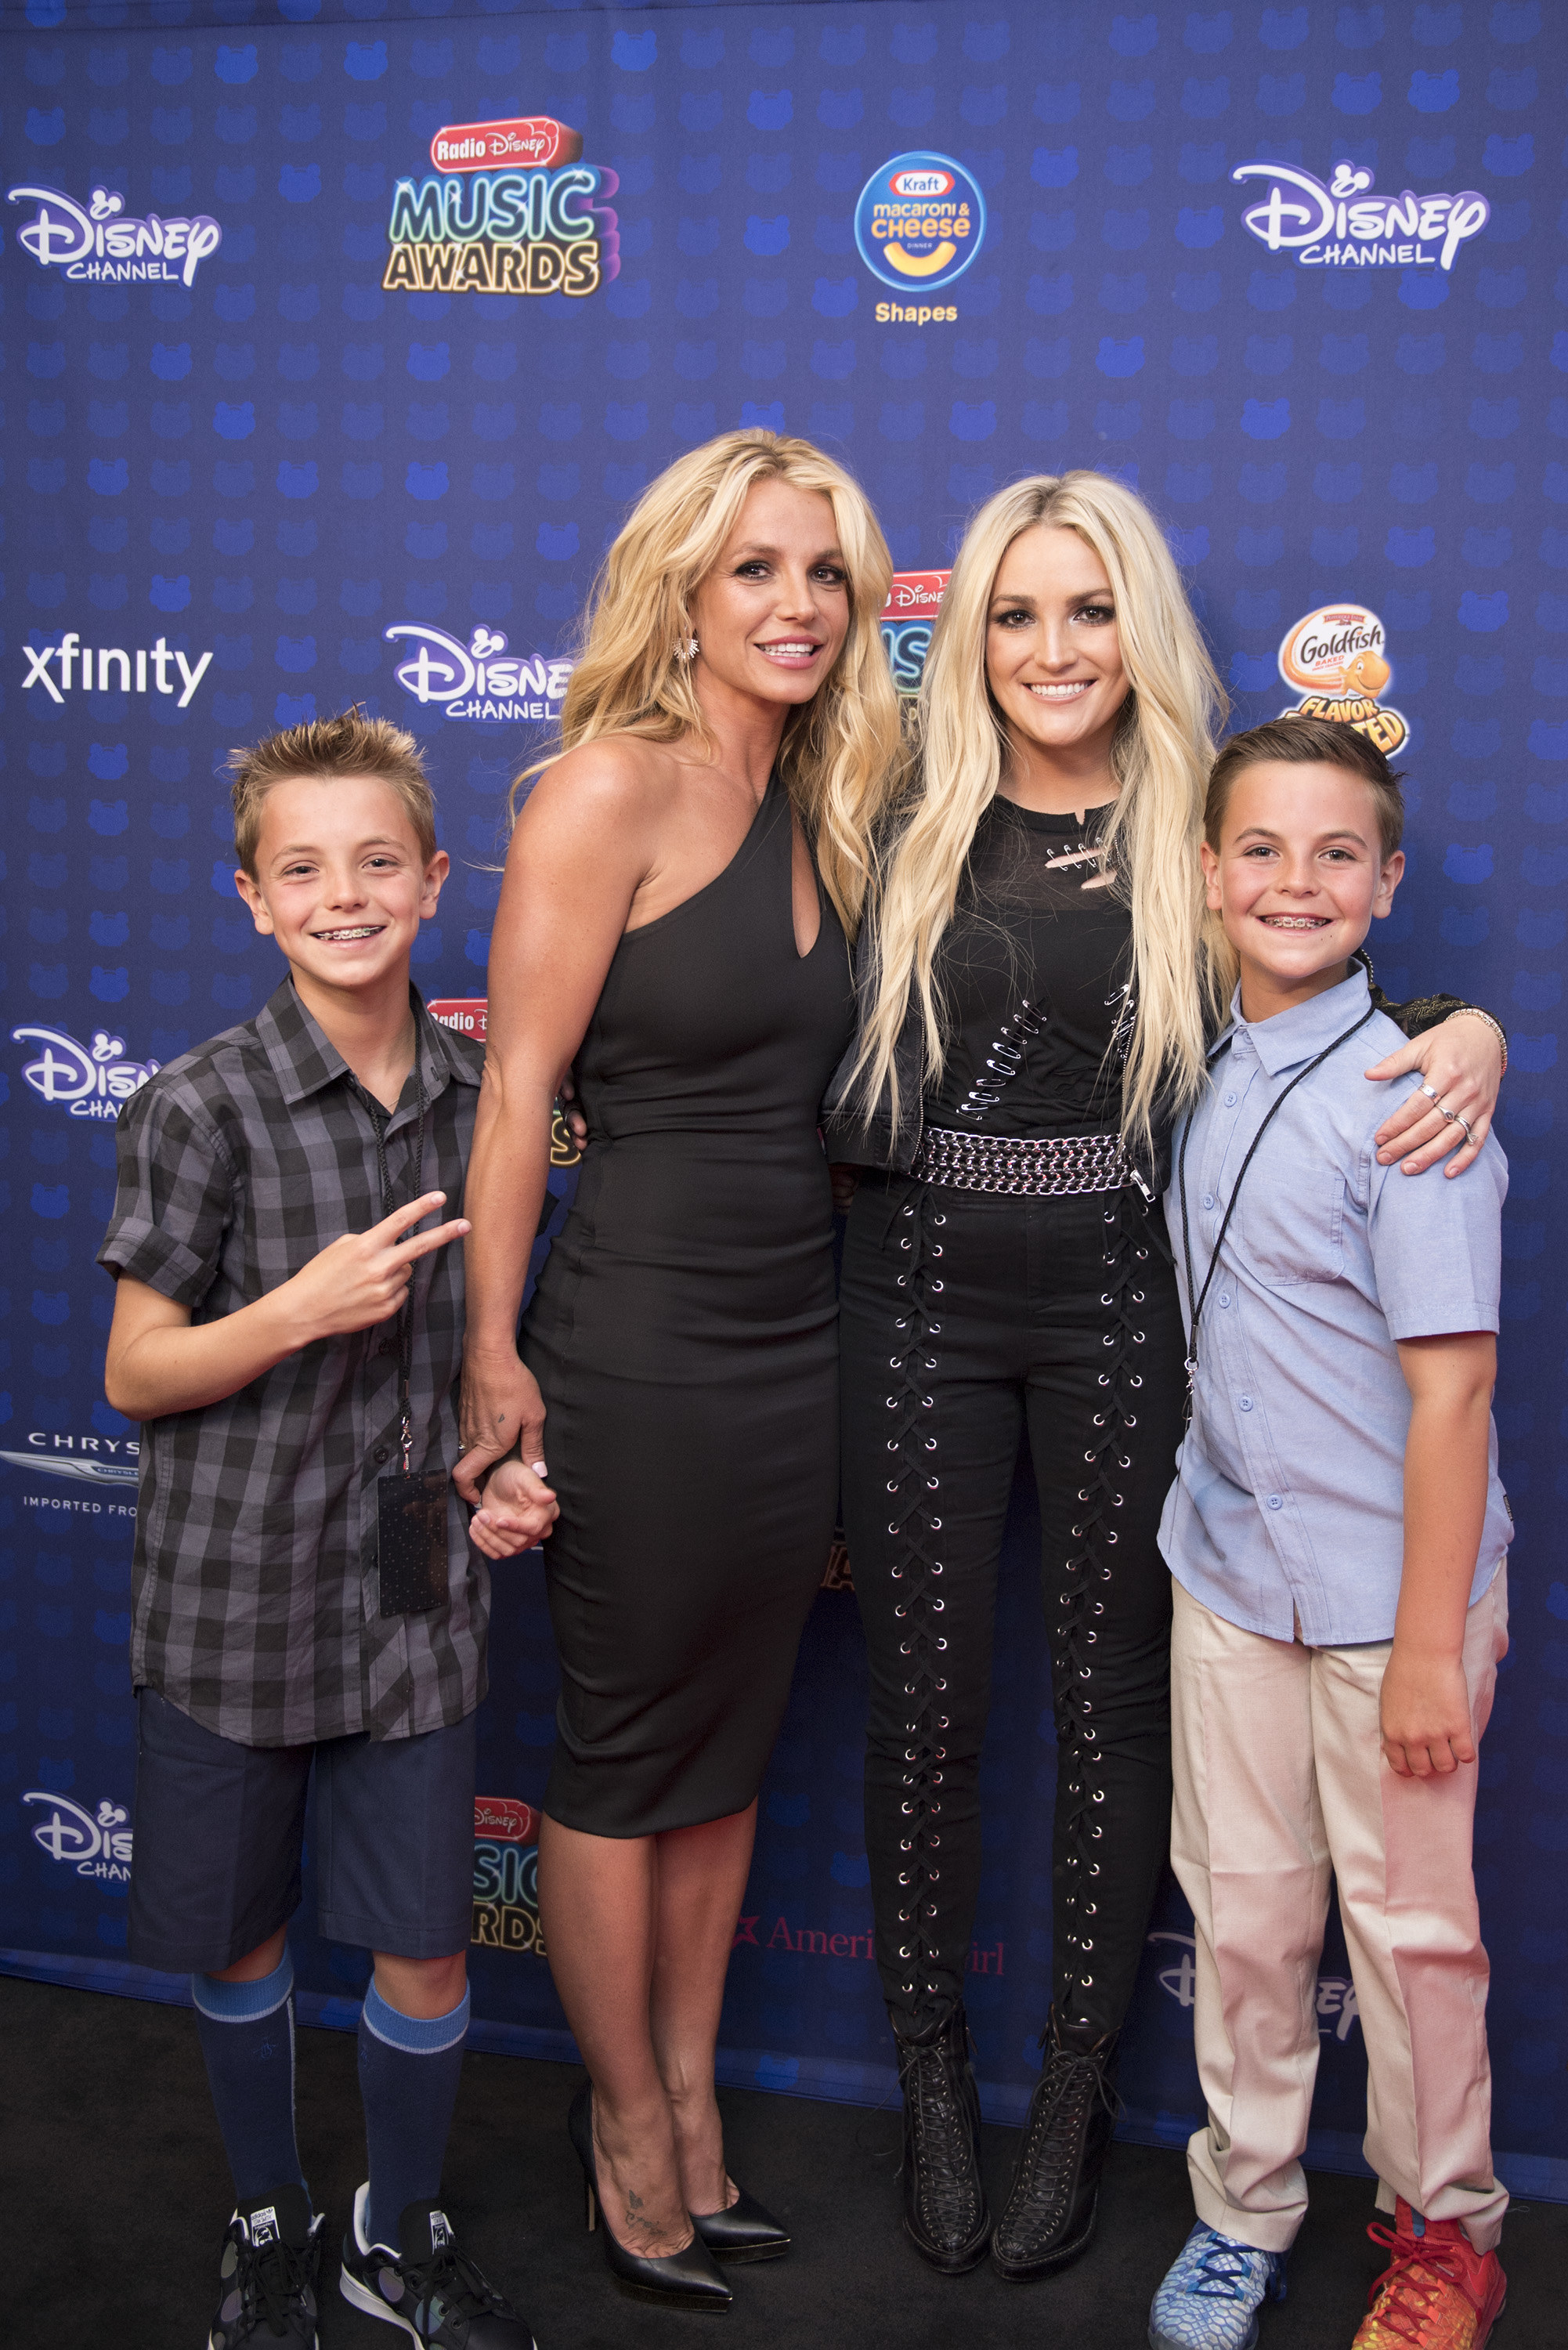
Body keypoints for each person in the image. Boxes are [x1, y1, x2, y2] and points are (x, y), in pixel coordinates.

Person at [822, 473, 1512, 2281]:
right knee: (930, 1716)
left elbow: (1332, 978)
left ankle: (1072, 2106)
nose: (1056, 648)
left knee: (1122, 1720)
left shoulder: (1198, 833)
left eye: (1091, 608)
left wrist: (1473, 1032)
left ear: (1142, 631)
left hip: (1126, 1311)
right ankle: (934, 2105)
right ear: (968, 630)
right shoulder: (889, 807)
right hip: (916, 1301)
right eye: (1017, 611)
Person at [451, 429, 901, 2309]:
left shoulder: (852, 795)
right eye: (755, 572)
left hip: (805, 1347)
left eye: (825, 576)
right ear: (684, 593)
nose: (795, 607)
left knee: (723, 1763)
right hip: (632, 1344)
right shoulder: (599, 794)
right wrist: (489, 1354)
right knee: (626, 1758)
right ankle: (624, 2120)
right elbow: (513, 1091)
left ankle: (699, 2104)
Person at [98, 712, 552, 2350]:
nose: (344, 895)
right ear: (253, 899)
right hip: (230, 1593)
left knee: (427, 1943)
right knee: (244, 1939)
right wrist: (292, 1310)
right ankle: (269, 2215)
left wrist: (504, 1467)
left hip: (410, 1586)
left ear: (436, 882)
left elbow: (483, 1361)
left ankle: (394, 2233)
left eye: (378, 863)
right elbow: (137, 1371)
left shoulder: (487, 1101)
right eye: (305, 870)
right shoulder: (200, 1107)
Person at [1147, 714, 1513, 2350]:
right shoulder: (1206, 1063)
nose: (1296, 882)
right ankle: (1244, 2207)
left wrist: (1430, 1647)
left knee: (1414, 1933)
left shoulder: (1417, 1099)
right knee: (1241, 1908)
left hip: (1390, 1608)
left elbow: (1454, 1400)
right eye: (1263, 850)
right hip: (1227, 1577)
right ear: (1211, 873)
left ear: (1390, 884)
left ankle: (1445, 2231)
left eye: (1336, 854)